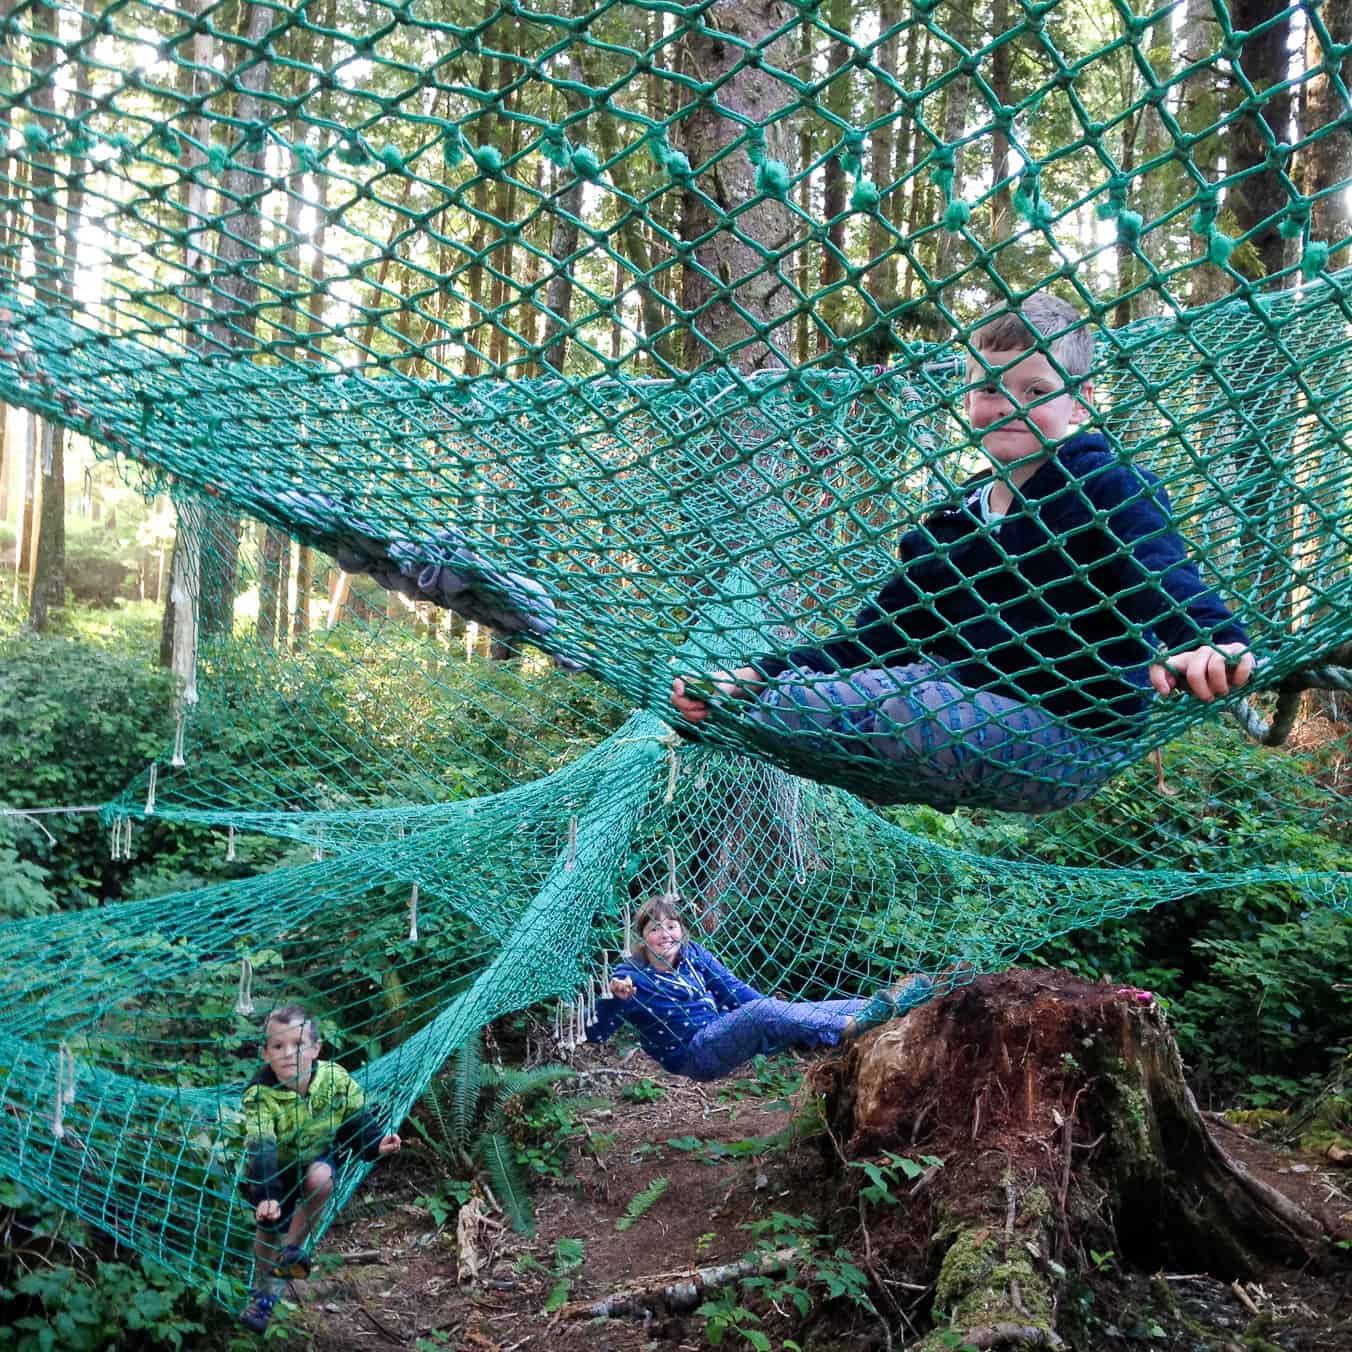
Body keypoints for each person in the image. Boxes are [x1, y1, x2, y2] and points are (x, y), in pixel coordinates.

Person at [670, 294, 1254, 812]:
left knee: (905, 712)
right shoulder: (948, 525)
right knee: (817, 700)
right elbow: (876, 641)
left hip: (1067, 736)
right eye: (990, 388)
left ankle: (857, 744)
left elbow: (1163, 571)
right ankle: (747, 716)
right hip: (952, 705)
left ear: (1080, 404)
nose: (1007, 406)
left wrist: (1208, 637)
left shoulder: (1105, 487)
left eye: (1037, 391)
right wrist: (753, 675)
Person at [584, 895, 932, 1081]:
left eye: (672, 926)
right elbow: (597, 1032)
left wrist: (778, 1014)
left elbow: (733, 990)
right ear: (642, 937)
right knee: (768, 1012)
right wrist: (613, 999)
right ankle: (849, 1028)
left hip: (728, 1032)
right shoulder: (630, 975)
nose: (666, 936)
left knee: (809, 1008)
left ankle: (897, 1007)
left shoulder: (692, 954)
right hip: (694, 1054)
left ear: (682, 929)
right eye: (655, 930)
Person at [238, 1004, 402, 1334]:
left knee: (322, 1179)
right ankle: (263, 1295)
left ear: (315, 1049)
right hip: (273, 1172)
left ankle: (292, 1251)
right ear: (266, 1054)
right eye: (278, 1046)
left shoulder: (334, 1079)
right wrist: (267, 1195)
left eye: (298, 1045)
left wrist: (375, 1143)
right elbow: (262, 1148)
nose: (288, 1054)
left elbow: (354, 1118)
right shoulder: (259, 1095)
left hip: (316, 1159)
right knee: (268, 1228)